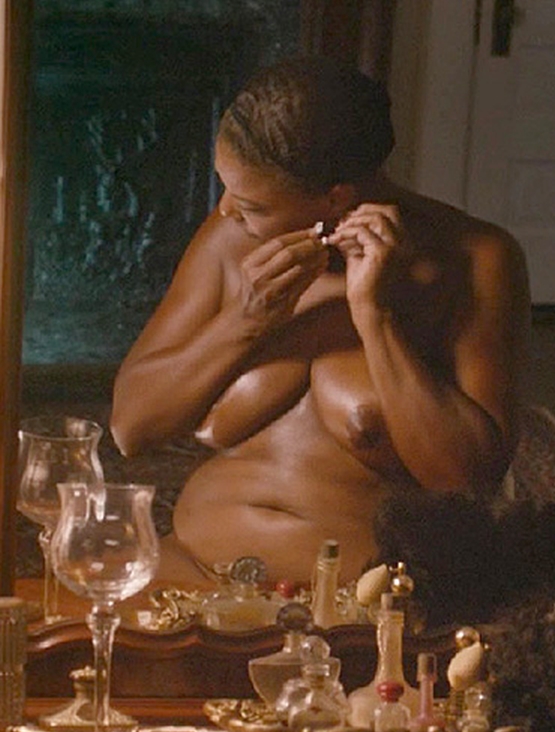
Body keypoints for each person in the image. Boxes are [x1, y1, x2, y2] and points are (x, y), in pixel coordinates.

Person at [110, 57, 530, 584]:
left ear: (336, 198)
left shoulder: (476, 258)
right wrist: (246, 319)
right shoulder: (230, 239)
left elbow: (467, 482)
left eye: (251, 203)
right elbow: (131, 427)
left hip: (358, 600)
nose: (226, 211)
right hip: (192, 572)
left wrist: (375, 317)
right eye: (225, 187)